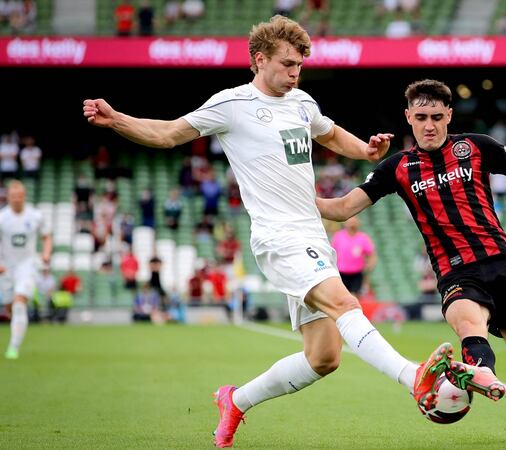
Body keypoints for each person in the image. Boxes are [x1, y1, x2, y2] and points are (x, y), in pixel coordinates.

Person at [82, 16, 451, 448]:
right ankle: (413, 379)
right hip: (278, 236)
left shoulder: (301, 102)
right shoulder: (231, 104)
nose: (295, 73)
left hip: (313, 235)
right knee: (343, 300)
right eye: (288, 64)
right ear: (259, 60)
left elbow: (329, 133)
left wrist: (366, 149)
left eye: (300, 66)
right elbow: (168, 134)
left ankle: (235, 400)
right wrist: (118, 120)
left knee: (324, 358)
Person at [316, 79, 506, 443]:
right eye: (421, 117)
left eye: (437, 116)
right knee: (470, 323)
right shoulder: (398, 168)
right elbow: (341, 208)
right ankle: (481, 372)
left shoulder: (477, 147)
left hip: (503, 264)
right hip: (455, 270)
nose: (430, 124)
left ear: (449, 114)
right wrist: (293, 195)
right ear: (408, 118)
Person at [1, 181, 52, 359]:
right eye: (13, 196)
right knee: (8, 307)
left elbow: (47, 237)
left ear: (24, 196)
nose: (17, 199)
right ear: (8, 197)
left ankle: (13, 347)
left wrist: (45, 254)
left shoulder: (35, 215)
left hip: (28, 265)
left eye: (20, 196)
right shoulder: (2, 218)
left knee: (19, 303)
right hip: (6, 267)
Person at [330, 216, 376, 295]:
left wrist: (369, 266)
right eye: (350, 222)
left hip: (357, 274)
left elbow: (371, 254)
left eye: (354, 222)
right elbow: (331, 252)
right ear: (345, 224)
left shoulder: (363, 238)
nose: (352, 225)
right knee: (342, 296)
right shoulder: (338, 236)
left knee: (355, 296)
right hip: (341, 273)